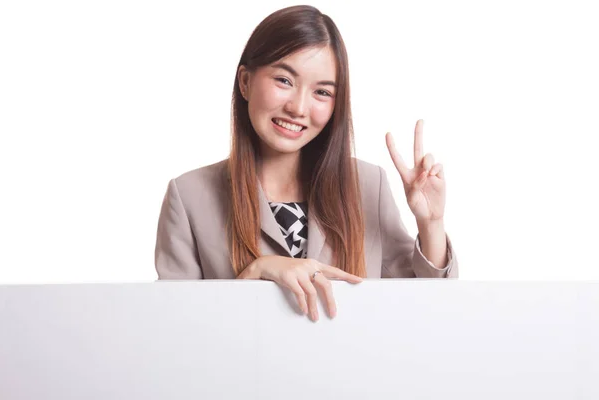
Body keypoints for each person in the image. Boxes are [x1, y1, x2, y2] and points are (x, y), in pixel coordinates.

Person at [154, 5, 458, 322]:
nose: (299, 107)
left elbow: (427, 312)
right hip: (242, 372)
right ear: (245, 82)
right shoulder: (189, 196)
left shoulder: (368, 185)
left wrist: (431, 223)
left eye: (322, 92)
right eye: (284, 80)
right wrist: (254, 274)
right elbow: (176, 332)